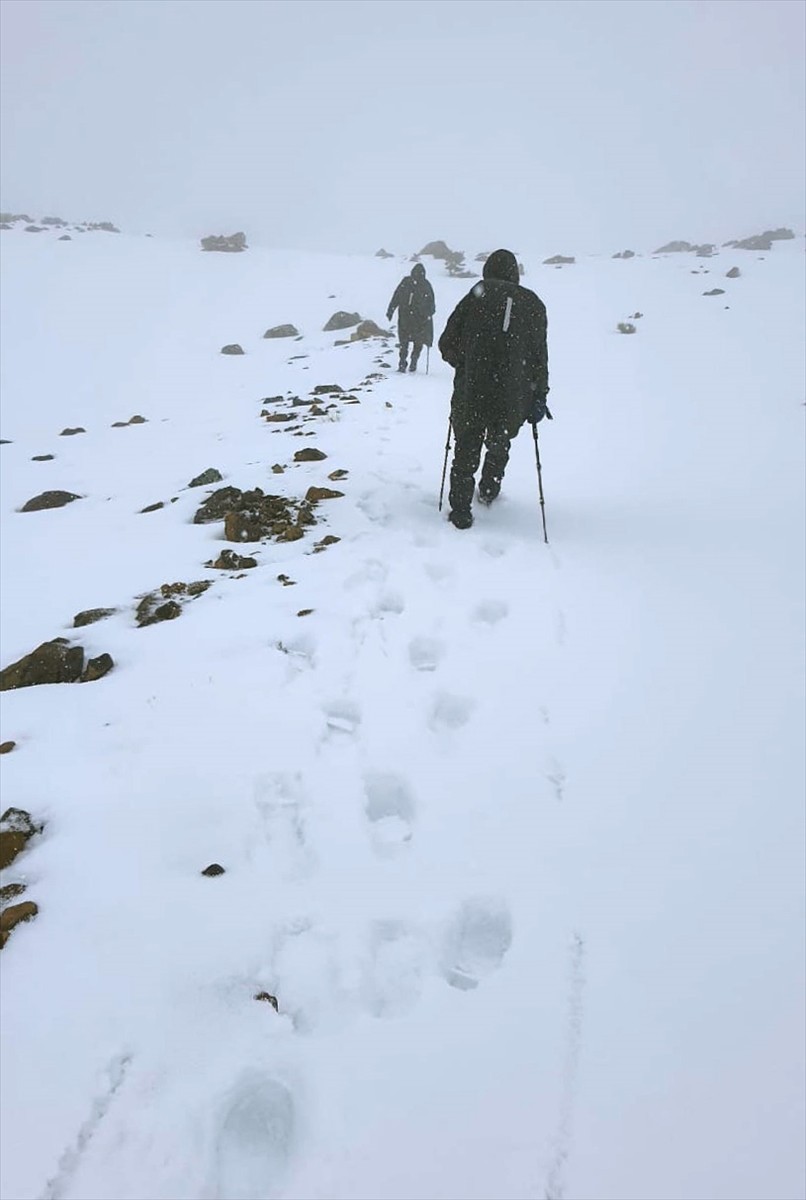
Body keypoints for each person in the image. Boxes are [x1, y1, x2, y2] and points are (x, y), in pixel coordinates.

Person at [438, 248, 549, 529]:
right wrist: (539, 395)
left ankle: (461, 510)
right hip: (512, 394)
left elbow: (447, 341)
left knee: (466, 444)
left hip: (473, 388)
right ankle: (489, 488)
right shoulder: (533, 305)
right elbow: (539, 358)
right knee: (500, 441)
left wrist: (463, 363)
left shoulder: (479, 292)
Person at [386, 262, 435, 373]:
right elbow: (432, 304)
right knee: (413, 342)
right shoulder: (419, 284)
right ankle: (409, 361)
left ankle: (407, 361)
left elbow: (396, 296)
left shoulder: (411, 283)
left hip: (410, 319)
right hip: (414, 319)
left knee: (407, 342)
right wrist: (428, 314)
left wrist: (391, 310)